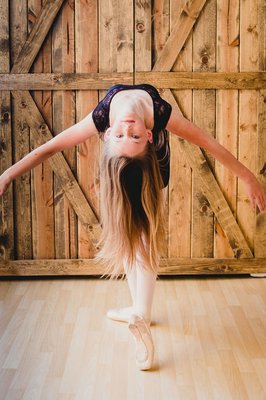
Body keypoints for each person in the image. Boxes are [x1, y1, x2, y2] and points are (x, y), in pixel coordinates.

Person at [0, 83, 265, 371]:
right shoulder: (134, 119)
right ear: (108, 134)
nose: (128, 128)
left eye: (134, 135)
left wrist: (248, 177)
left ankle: (141, 311)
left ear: (148, 135)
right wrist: (7, 174)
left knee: (144, 233)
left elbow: (208, 143)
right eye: (126, 133)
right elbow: (51, 148)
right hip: (118, 168)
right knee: (126, 227)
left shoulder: (144, 117)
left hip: (152, 165)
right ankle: (139, 310)